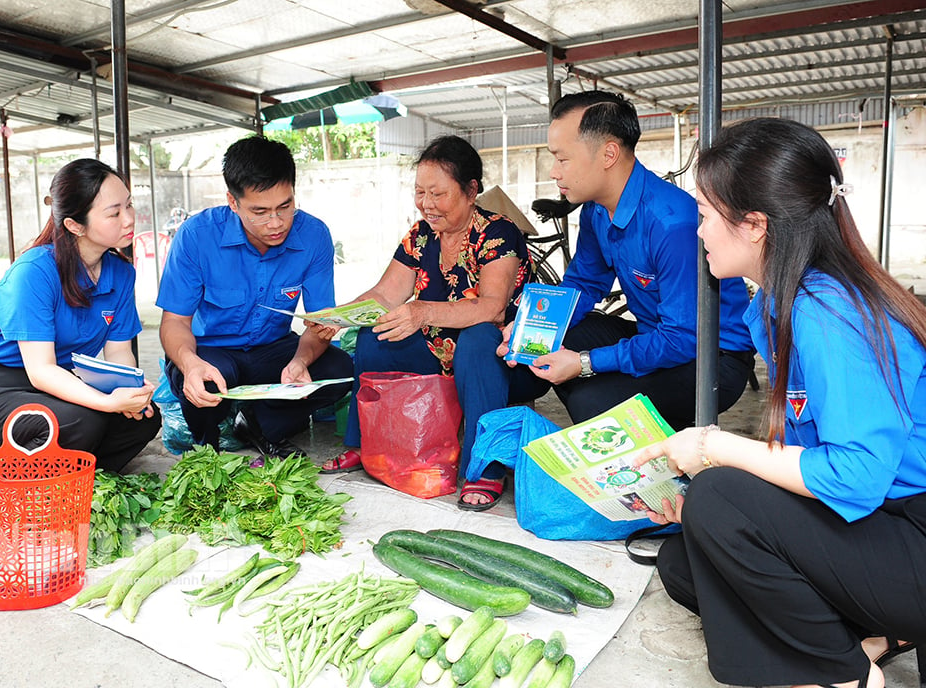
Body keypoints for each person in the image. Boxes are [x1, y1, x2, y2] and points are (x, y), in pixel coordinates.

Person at [635, 117, 926, 688]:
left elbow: (856, 476)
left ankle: (841, 674)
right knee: (686, 558)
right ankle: (875, 634)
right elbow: (803, 453)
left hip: (909, 527)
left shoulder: (829, 312)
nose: (696, 232)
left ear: (755, 225)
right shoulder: (780, 303)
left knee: (719, 499)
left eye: (703, 216)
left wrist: (715, 448)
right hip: (877, 525)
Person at [500, 90, 756, 431]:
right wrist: (531, 329)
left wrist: (586, 363)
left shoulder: (671, 222)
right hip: (657, 334)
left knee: (590, 399)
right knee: (555, 339)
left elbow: (683, 338)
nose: (553, 172)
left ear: (608, 153)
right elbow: (585, 283)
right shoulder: (595, 210)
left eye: (562, 159)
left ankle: (664, 461)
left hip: (713, 358)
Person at [320, 135, 538, 511]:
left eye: (437, 194)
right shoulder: (420, 235)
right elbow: (385, 295)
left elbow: (493, 308)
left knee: (478, 338)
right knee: (374, 337)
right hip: (441, 354)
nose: (426, 204)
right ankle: (367, 445)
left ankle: (486, 465)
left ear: (471, 191)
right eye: (420, 192)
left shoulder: (498, 233)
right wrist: (336, 318)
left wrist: (423, 311)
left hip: (505, 360)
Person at [0, 159, 161, 473]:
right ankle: (29, 474)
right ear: (75, 225)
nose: (129, 218)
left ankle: (77, 474)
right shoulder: (33, 272)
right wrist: (108, 402)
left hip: (59, 384)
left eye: (129, 205)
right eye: (114, 212)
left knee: (144, 418)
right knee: (82, 420)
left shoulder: (120, 273)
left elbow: (119, 350)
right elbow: (41, 371)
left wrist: (128, 389)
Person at [157, 135, 352, 459]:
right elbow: (174, 322)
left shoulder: (314, 235)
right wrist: (190, 364)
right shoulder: (197, 236)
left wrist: (300, 362)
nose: (276, 223)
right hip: (211, 350)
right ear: (233, 203)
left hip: (272, 350)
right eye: (259, 211)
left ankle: (255, 423)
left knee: (339, 368)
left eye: (285, 206)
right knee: (205, 385)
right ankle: (209, 444)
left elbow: (320, 324)